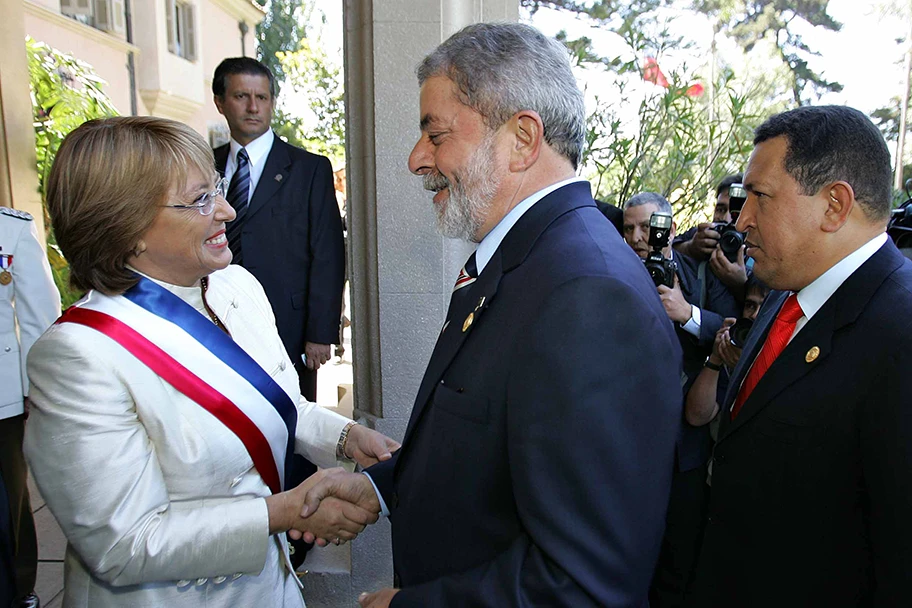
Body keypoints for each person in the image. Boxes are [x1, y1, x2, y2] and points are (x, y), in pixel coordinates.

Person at [301, 22, 683, 608]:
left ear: (522, 139)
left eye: (435, 133)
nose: (415, 158)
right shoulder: (530, 259)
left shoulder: (587, 292)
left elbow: (585, 584)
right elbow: (492, 453)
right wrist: (380, 488)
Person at [23, 116, 397, 607]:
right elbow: (125, 543)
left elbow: (278, 404)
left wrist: (347, 438)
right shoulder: (80, 353)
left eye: (216, 187)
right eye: (200, 199)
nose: (227, 209)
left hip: (268, 587)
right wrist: (284, 513)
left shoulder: (234, 286)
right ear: (127, 228)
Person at [692, 105, 912, 607]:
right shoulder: (784, 292)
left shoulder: (900, 333)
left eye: (760, 198)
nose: (741, 220)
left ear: (835, 205)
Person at [621, 192, 739, 608]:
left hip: (687, 449)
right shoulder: (608, 275)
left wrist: (686, 312)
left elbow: (735, 328)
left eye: (647, 226)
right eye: (629, 227)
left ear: (670, 229)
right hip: (627, 449)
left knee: (679, 565)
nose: (638, 237)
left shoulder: (701, 275)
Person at [212, 57, 345, 403]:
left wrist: (320, 333)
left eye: (263, 97)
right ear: (220, 102)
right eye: (241, 96)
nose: (254, 107)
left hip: (287, 327)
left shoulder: (309, 169)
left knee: (293, 428)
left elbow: (328, 254)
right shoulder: (202, 165)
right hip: (215, 321)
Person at [0, 206, 60, 608]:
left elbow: (40, 317)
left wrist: (36, 387)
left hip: (1, 394)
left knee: (9, 497)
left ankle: (20, 588)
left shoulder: (11, 228)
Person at [684, 274, 770, 429]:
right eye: (750, 306)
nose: (755, 315)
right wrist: (716, 357)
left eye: (764, 307)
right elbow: (697, 416)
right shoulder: (734, 349)